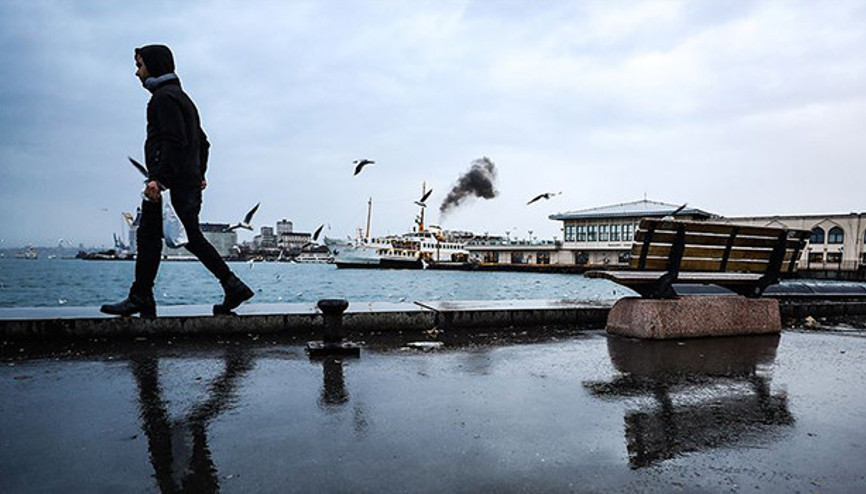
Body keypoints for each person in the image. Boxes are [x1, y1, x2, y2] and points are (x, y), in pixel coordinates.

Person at [101, 44, 253, 318]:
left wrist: (158, 180)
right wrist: (200, 173)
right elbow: (204, 143)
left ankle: (143, 296)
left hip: (170, 184)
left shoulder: (163, 99)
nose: (137, 73)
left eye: (140, 65)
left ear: (154, 66)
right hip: (185, 181)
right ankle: (231, 286)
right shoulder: (182, 97)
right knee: (179, 236)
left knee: (154, 236)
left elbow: (173, 140)